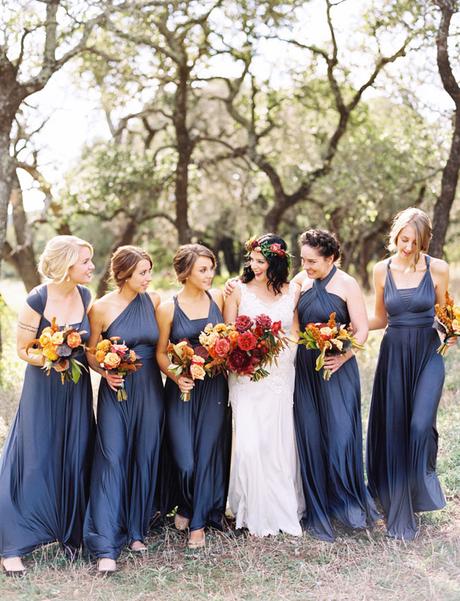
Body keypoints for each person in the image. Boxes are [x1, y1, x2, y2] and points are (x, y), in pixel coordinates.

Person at [0, 235, 96, 575]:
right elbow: (23, 349)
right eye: (85, 261)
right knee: (36, 457)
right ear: (66, 265)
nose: (91, 267)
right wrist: (50, 356)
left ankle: (68, 533)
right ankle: (13, 543)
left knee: (74, 453)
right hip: (43, 388)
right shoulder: (37, 298)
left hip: (77, 389)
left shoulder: (85, 296)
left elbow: (90, 345)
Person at [366, 207, 455, 540]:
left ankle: (421, 484)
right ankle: (400, 504)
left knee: (419, 426)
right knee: (396, 429)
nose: (407, 247)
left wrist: (452, 331)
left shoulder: (438, 269)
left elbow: (446, 314)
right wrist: (347, 330)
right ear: (396, 236)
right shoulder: (380, 270)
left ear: (424, 241)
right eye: (403, 240)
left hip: (427, 354)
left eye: (414, 242)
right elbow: (379, 319)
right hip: (394, 354)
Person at [83, 246, 164, 572]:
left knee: (145, 456)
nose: (148, 278)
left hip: (150, 392)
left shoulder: (154, 300)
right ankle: (105, 541)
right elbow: (89, 353)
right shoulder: (100, 308)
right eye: (142, 272)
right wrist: (105, 371)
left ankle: (136, 530)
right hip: (117, 392)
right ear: (124, 273)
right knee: (113, 458)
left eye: (149, 271)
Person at [293, 229, 376, 542]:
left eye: (312, 261)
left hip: (338, 368)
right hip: (306, 369)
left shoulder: (347, 284)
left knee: (340, 435)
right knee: (312, 436)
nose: (306, 265)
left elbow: (363, 328)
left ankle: (348, 506)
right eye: (303, 260)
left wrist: (344, 356)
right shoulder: (300, 282)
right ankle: (320, 507)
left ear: (330, 258)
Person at [224, 234, 304, 537]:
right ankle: (250, 508)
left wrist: (277, 351)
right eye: (252, 260)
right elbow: (228, 333)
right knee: (250, 441)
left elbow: (295, 331)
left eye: (262, 261)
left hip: (281, 374)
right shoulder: (236, 290)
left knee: (277, 439)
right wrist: (250, 352)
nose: (255, 266)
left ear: (277, 260)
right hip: (247, 374)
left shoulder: (292, 290)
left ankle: (280, 507)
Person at [156, 244, 231, 549]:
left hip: (213, 386)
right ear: (185, 272)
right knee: (185, 460)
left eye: (212, 268)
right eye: (203, 269)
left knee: (206, 455)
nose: (210, 274)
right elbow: (161, 353)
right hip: (181, 391)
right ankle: (186, 504)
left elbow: (229, 340)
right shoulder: (167, 308)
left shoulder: (220, 299)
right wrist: (177, 375)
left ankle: (198, 521)